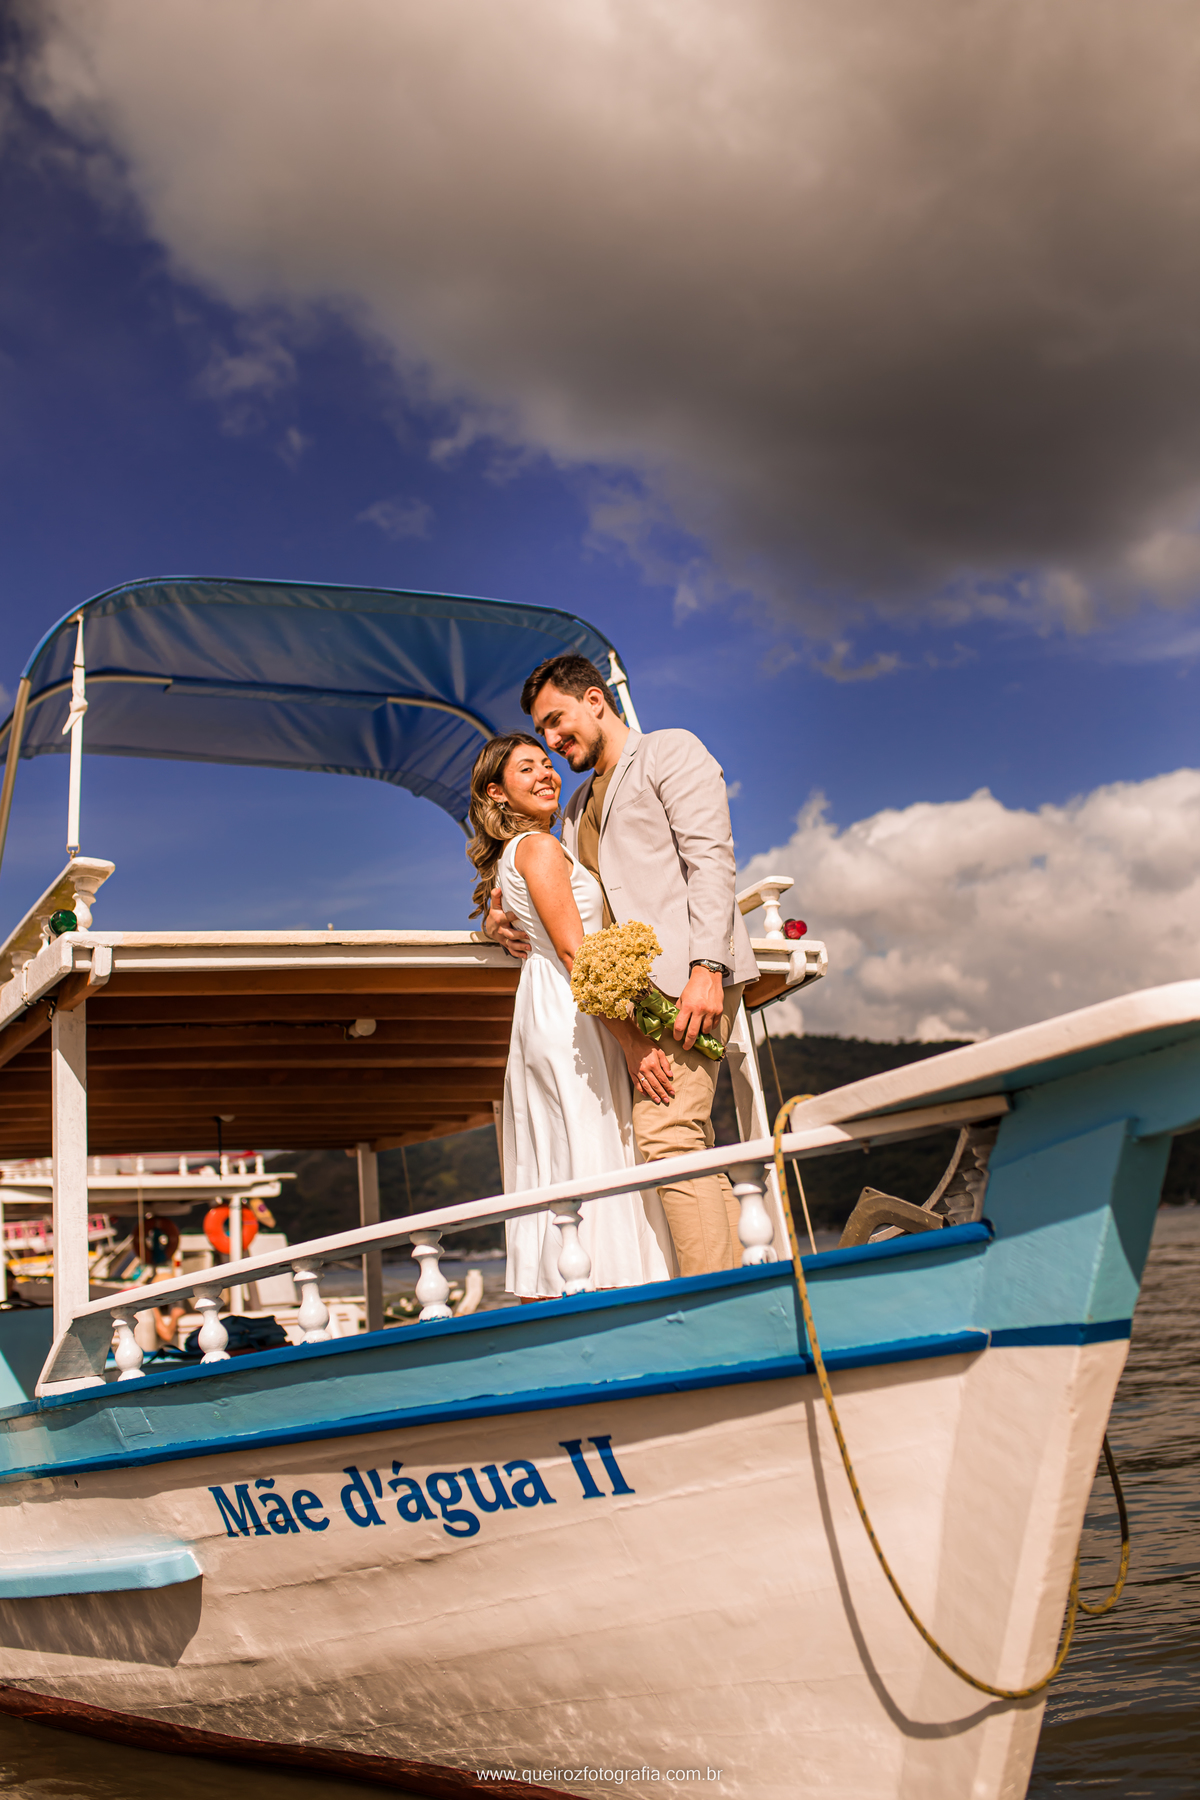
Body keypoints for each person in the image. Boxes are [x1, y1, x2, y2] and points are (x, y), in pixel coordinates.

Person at [481, 655, 759, 1277]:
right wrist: (497, 921)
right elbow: (551, 895)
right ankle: (743, 1280)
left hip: (690, 984)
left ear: (596, 700)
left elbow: (710, 862)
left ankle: (722, 1300)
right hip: (635, 999)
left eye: (556, 722)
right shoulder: (575, 808)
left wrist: (708, 968)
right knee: (680, 1140)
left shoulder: (669, 752)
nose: (552, 742)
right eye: (543, 733)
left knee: (665, 1139)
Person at [467, 731, 676, 1297]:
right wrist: (633, 1042)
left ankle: (560, 1284)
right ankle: (612, 1285)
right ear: (498, 793)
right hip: (571, 1006)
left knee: (561, 1150)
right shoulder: (536, 848)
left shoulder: (530, 850)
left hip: (549, 1004)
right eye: (526, 769)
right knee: (590, 1143)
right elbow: (573, 951)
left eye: (547, 764)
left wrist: (491, 921)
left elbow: (511, 915)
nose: (546, 774)